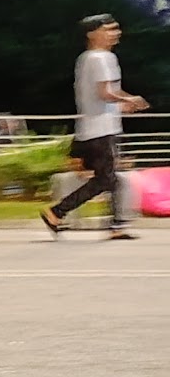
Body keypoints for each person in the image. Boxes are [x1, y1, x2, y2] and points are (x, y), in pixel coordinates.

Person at [42, 13, 148, 239]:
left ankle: (117, 226)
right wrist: (131, 100)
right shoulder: (102, 58)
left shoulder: (86, 58)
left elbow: (101, 95)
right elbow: (104, 93)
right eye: (108, 29)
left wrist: (122, 104)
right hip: (101, 130)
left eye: (116, 28)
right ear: (92, 34)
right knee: (105, 179)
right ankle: (57, 212)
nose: (116, 33)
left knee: (112, 178)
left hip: (91, 127)